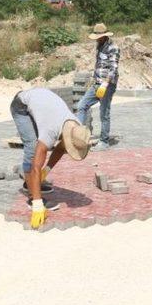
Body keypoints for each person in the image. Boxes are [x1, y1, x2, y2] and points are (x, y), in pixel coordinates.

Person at [10, 87, 91, 229]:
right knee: (32, 147)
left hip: (41, 99)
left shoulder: (75, 126)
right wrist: (37, 204)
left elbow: (61, 147)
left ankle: (31, 184)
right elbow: (36, 167)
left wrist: (46, 170)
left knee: (38, 155)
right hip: (21, 105)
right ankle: (32, 195)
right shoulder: (50, 131)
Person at [76, 23, 120, 150]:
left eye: (98, 37)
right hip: (96, 84)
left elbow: (114, 68)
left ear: (104, 36)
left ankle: (104, 142)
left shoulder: (113, 48)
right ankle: (79, 137)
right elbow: (100, 65)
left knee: (104, 113)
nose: (97, 39)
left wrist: (105, 84)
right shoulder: (99, 46)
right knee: (81, 106)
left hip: (107, 85)